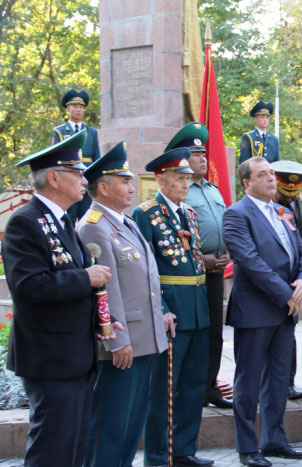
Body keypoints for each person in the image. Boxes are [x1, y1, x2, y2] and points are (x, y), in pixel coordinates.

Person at [3, 130, 114, 467]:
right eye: (77, 173)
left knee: (73, 446)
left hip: (74, 356)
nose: (85, 180)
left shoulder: (63, 220)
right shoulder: (25, 222)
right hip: (49, 358)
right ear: (54, 177)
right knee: (52, 448)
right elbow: (29, 287)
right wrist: (86, 277)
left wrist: (101, 320)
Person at [77, 142, 174, 467]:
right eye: (125, 181)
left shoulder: (125, 221)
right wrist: (118, 340)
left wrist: (160, 314)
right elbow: (105, 289)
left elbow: (144, 279)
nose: (132, 187)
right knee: (110, 425)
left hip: (144, 339)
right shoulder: (94, 225)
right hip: (123, 343)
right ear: (103, 187)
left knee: (131, 424)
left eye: (131, 181)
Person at [223, 157, 302, 467]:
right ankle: (248, 448)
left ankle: (274, 439)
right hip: (256, 309)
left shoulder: (284, 211)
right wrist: (286, 294)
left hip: (286, 309)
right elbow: (249, 261)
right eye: (263, 175)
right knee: (248, 382)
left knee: (278, 379)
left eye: (271, 173)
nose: (271, 178)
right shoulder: (236, 214)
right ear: (247, 183)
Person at [132, 148, 212, 467]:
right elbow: (144, 268)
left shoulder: (189, 213)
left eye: (188, 178)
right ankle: (158, 456)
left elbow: (193, 260)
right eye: (179, 179)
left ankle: (183, 450)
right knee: (165, 389)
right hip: (170, 312)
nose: (185, 184)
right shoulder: (146, 214)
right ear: (161, 180)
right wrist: (161, 307)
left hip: (197, 308)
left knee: (192, 386)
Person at [167, 122, 232, 410]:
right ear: (182, 159)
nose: (203, 158)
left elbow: (222, 225)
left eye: (204, 154)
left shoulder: (213, 190)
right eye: (196, 155)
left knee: (214, 332)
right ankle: (186, 388)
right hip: (190, 272)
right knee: (193, 332)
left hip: (216, 269)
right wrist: (200, 259)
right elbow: (172, 236)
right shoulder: (180, 192)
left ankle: (209, 387)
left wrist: (226, 252)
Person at [271, 159, 302, 400]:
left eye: (293, 194)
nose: (288, 198)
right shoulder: (268, 203)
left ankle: (289, 381)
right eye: (284, 193)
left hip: (295, 276)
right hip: (273, 277)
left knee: (290, 331)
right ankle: (270, 381)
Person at [50, 89, 101, 223]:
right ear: (68, 108)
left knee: (88, 219)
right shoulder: (59, 132)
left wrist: (95, 183)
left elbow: (97, 159)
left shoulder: (92, 132)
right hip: (68, 181)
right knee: (68, 218)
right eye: (74, 106)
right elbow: (53, 160)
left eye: (81, 107)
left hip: (87, 183)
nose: (78, 110)